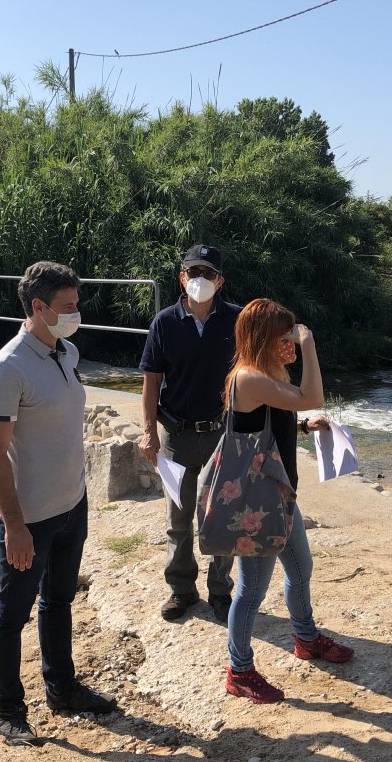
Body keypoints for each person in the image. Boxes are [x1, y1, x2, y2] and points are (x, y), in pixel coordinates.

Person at [0, 261, 116, 746]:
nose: (75, 314)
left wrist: (79, 496)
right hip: (30, 518)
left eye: (76, 304)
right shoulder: (8, 367)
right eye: (66, 307)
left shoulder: (68, 351)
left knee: (58, 601)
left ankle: (62, 689)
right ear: (37, 308)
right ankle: (8, 710)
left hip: (71, 506)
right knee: (11, 614)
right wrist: (14, 525)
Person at [222, 298, 354, 704]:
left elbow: (267, 419)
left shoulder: (264, 374)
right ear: (263, 339)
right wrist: (311, 346)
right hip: (256, 505)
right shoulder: (247, 377)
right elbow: (312, 394)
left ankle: (306, 637)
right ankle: (239, 671)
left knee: (300, 567)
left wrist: (300, 424)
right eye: (285, 337)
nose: (292, 344)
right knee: (252, 588)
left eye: (295, 337)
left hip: (279, 495)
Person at [139, 245, 240, 623]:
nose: (199, 279)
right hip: (176, 436)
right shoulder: (164, 322)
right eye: (193, 272)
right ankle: (182, 590)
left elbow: (254, 373)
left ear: (220, 281)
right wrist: (149, 432)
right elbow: (151, 383)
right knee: (178, 518)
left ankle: (220, 591)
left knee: (221, 516)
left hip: (221, 435)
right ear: (181, 277)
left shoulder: (237, 320)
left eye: (207, 273)